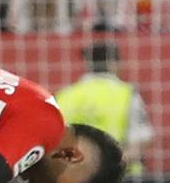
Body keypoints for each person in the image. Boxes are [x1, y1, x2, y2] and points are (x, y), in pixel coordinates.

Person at [55, 39, 154, 171]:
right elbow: (141, 141)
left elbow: (53, 146)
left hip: (74, 181)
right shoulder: (127, 94)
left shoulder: (64, 96)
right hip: (123, 180)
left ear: (87, 64)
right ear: (115, 64)